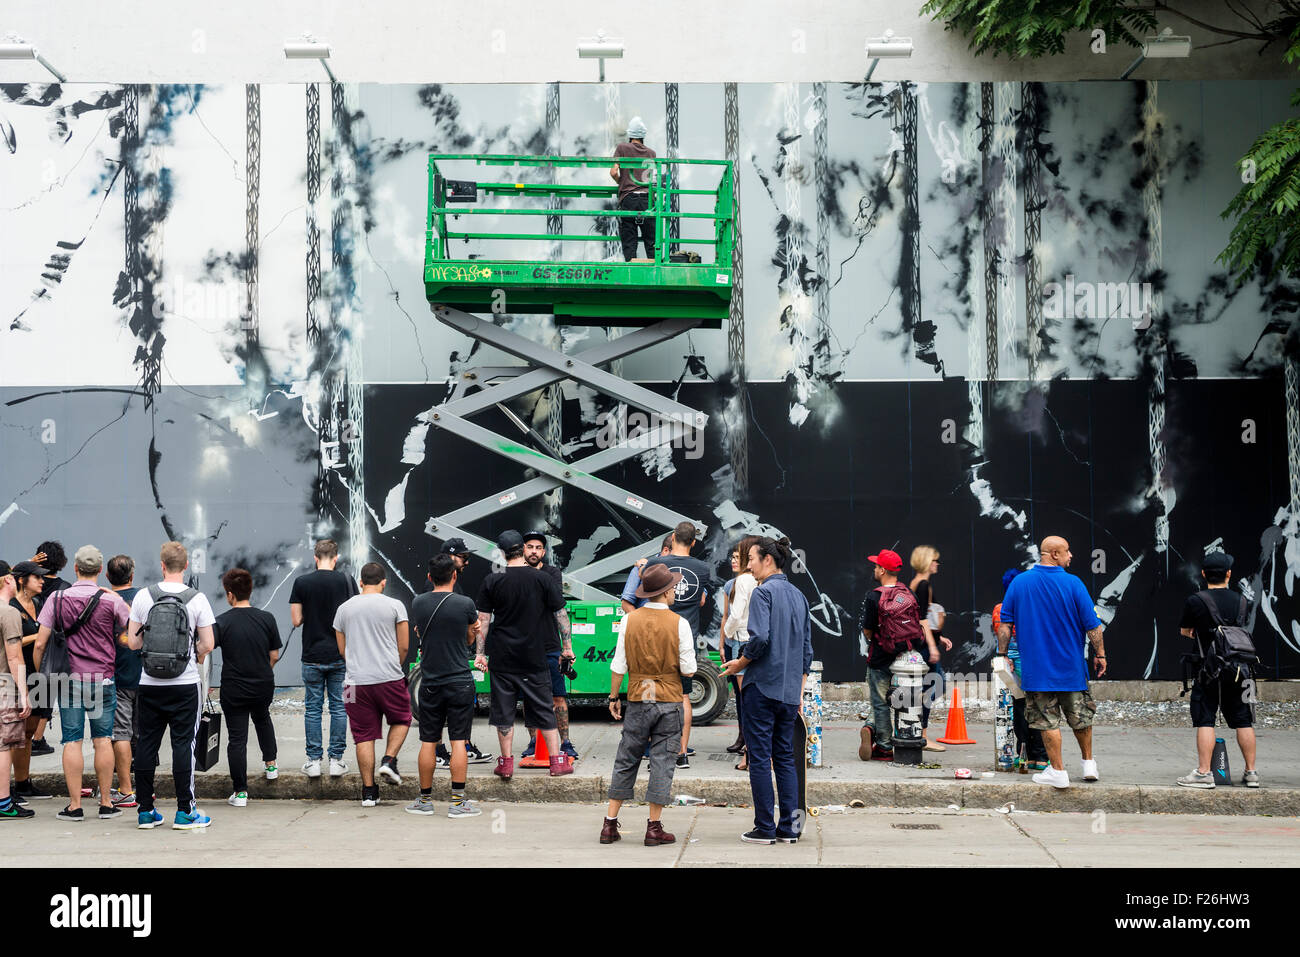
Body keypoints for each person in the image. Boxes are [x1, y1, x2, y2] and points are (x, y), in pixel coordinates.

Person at [720, 537, 813, 844]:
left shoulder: (763, 593)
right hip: (788, 692)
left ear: (767, 561)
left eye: (752, 560)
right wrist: (797, 693)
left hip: (762, 687)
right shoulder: (799, 596)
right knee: (785, 758)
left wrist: (740, 663)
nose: (749, 566)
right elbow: (807, 652)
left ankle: (764, 827)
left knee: (759, 758)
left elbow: (759, 639)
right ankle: (789, 829)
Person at [996, 536, 1105, 790]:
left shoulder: (1020, 583)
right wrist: (1100, 654)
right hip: (1071, 668)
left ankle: (1058, 771)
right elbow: (1093, 627)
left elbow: (1005, 625)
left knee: (1047, 720)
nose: (1071, 555)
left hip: (1037, 669)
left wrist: (1002, 656)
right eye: (1067, 551)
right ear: (1054, 554)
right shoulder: (1074, 584)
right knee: (1080, 717)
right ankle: (1088, 764)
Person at [601, 563, 696, 847]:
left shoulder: (630, 620)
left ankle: (609, 825)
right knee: (662, 762)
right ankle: (654, 828)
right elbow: (689, 669)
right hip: (668, 699)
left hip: (639, 696)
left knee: (626, 758)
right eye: (673, 588)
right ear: (665, 592)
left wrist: (613, 697)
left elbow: (619, 664)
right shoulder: (680, 623)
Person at [33, 545, 129, 822]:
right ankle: (107, 803)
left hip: (69, 681)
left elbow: (40, 644)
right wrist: (114, 597)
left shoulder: (57, 598)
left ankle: (75, 805)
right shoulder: (110, 601)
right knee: (102, 740)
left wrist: (43, 674)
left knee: (72, 741)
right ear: (100, 571)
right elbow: (134, 627)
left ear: (75, 568)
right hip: (102, 680)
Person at [126, 541, 217, 829]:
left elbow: (133, 643)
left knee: (146, 744)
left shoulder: (143, 596)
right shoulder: (197, 598)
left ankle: (145, 811)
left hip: (149, 684)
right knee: (183, 745)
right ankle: (184, 811)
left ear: (162, 565)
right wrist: (195, 653)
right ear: (185, 566)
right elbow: (209, 643)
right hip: (185, 684)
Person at [475, 530, 573, 779]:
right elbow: (561, 615)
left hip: (503, 655)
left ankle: (506, 763)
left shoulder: (493, 580)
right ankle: (556, 762)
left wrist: (480, 654)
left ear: (502, 552)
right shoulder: (542, 579)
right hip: (535, 654)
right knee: (543, 706)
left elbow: (483, 621)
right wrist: (567, 647)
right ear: (522, 549)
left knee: (504, 709)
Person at [407, 554, 482, 818]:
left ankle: (424, 800)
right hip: (459, 680)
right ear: (454, 575)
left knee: (429, 741)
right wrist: (474, 629)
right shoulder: (465, 604)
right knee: (459, 741)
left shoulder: (419, 602)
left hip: (430, 682)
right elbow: (469, 640)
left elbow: (421, 632)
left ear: (429, 577)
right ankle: (458, 803)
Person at [1175, 551, 1259, 788]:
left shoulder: (1195, 600)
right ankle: (1251, 772)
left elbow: (1185, 631)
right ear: (1229, 574)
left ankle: (1204, 773)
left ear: (1204, 574)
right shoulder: (1242, 600)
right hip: (1240, 668)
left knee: (1205, 720)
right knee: (1244, 721)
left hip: (1208, 669)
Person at [333, 562, 411, 807]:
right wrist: (393, 665)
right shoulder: (395, 605)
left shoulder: (344, 609)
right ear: (383, 582)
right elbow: (405, 646)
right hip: (389, 677)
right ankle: (388, 761)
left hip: (354, 684)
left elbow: (342, 649)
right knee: (402, 718)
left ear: (360, 582)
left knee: (363, 735)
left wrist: (358, 664)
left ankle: (368, 792)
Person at [640, 522, 714, 769]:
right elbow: (702, 601)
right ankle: (681, 752)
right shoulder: (703, 569)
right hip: (686, 637)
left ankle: (655, 751)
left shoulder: (654, 564)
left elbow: (645, 588)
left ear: (672, 538)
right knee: (683, 695)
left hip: (656, 636)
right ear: (694, 542)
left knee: (652, 690)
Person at [857, 549, 938, 761]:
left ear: (882, 570)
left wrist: (877, 637)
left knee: (880, 703)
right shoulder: (908, 594)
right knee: (903, 702)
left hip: (880, 658)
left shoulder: (874, 596)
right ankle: (902, 739)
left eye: (876, 566)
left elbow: (867, 630)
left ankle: (883, 747)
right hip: (905, 658)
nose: (874, 569)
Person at [289, 539, 357, 779]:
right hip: (342, 655)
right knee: (341, 707)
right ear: (336, 558)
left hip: (312, 656)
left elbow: (296, 620)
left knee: (313, 709)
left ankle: (314, 761)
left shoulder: (302, 582)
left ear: (315, 558)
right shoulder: (347, 581)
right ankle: (337, 760)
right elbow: (354, 617)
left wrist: (312, 608)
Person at [214, 568, 281, 808]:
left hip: (234, 687)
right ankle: (271, 765)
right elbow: (274, 654)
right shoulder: (267, 618)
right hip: (263, 683)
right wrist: (265, 670)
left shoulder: (221, 622)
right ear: (250, 590)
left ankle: (240, 792)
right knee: (263, 719)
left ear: (230, 594)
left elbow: (206, 648)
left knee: (237, 738)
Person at [432, 538, 493, 768]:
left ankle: (463, 748)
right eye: (463, 557)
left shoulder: (449, 587)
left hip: (448, 658)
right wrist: (472, 629)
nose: (466, 562)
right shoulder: (440, 588)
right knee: (444, 710)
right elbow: (465, 633)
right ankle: (441, 752)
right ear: (449, 557)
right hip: (447, 660)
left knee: (461, 706)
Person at [520, 530, 577, 760]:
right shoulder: (514, 572)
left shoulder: (553, 573)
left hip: (551, 645)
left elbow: (554, 606)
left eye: (538, 547)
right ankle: (534, 741)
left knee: (558, 697)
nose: (533, 551)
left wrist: (567, 646)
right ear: (523, 550)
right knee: (528, 698)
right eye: (529, 547)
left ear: (543, 552)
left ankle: (566, 742)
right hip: (523, 648)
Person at [994, 568, 1048, 771]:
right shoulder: (1031, 607)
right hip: (1031, 659)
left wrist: (1004, 656)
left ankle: (1022, 753)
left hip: (1009, 661)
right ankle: (1041, 756)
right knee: (1039, 705)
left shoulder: (999, 609)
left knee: (1019, 706)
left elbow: (1001, 633)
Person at [8, 560, 52, 801]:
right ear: (22, 580)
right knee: (17, 732)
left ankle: (24, 782)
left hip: (40, 674)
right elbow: (11, 642)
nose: (42, 582)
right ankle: (13, 784)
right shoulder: (11, 607)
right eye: (37, 578)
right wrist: (38, 636)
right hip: (19, 675)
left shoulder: (37, 603)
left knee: (31, 731)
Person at [106, 554, 143, 807]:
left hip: (116, 676)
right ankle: (145, 787)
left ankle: (126, 790)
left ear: (107, 576)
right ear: (132, 575)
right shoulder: (145, 598)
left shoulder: (105, 600)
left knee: (120, 733)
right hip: (148, 675)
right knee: (144, 734)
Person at [720, 536, 760, 769]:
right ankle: (747, 742)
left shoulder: (743, 581)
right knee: (747, 696)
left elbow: (734, 615)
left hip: (741, 639)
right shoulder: (754, 580)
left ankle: (749, 746)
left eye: (740, 556)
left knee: (746, 697)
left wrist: (727, 632)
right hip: (749, 639)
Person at [0, 562, 36, 819]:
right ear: (6, 581)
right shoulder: (9, 613)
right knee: (4, 746)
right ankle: (3, 802)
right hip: (3, 684)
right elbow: (14, 657)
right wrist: (24, 693)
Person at [909, 545, 952, 752]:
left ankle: (916, 725)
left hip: (926, 642)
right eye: (935, 560)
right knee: (933, 687)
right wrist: (933, 646)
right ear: (927, 561)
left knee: (930, 688)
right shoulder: (923, 584)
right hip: (926, 646)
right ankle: (921, 734)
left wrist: (939, 636)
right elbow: (922, 620)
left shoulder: (917, 583)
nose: (937, 564)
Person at [610, 116, 657, 261]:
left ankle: (631, 264)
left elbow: (613, 172)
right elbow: (649, 179)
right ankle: (654, 265)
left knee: (629, 235)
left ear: (630, 134)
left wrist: (622, 182)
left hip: (628, 198)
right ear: (643, 135)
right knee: (651, 237)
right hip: (647, 199)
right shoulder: (651, 153)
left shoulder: (622, 148)